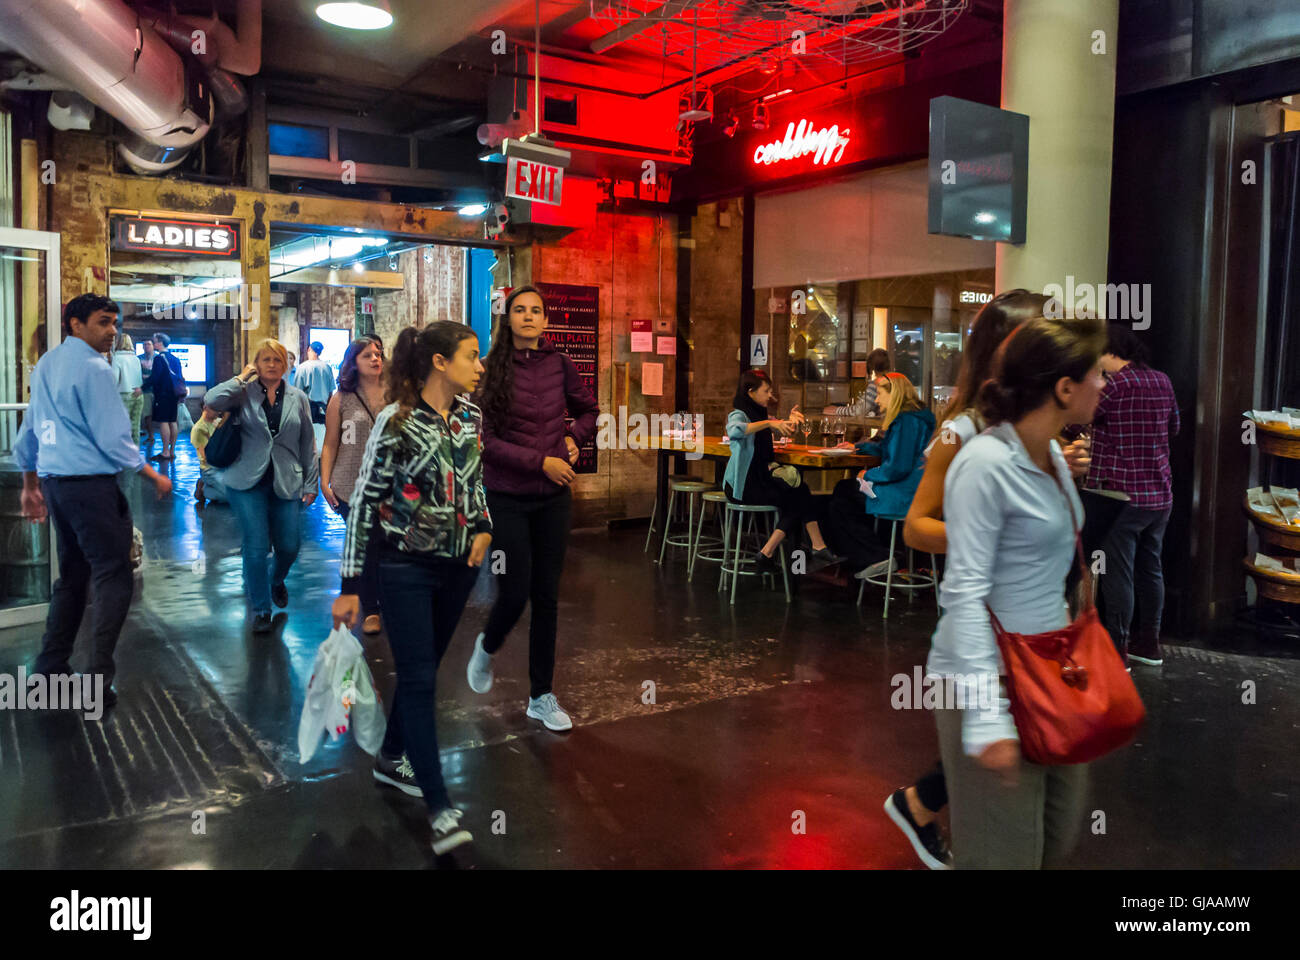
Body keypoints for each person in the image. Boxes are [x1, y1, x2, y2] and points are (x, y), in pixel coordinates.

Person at [928, 313, 1107, 869]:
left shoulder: (1050, 454)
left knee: (1054, 841)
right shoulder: (984, 464)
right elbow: (965, 594)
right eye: (1097, 374)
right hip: (997, 678)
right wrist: (986, 718)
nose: (1106, 384)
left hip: (1053, 669)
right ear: (1063, 387)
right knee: (1004, 857)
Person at [332, 321, 492, 856]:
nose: (481, 365)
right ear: (441, 363)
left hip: (457, 571)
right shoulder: (397, 424)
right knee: (421, 680)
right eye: (473, 356)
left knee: (424, 673)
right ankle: (441, 807)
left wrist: (485, 526)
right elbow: (363, 504)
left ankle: (393, 755)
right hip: (403, 570)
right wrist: (352, 584)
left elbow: (474, 485)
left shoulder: (470, 418)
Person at [15, 294, 172, 710]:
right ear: (74, 324)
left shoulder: (47, 364)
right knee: (113, 575)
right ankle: (97, 679)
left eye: (114, 323)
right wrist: (151, 472)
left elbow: (29, 429)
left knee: (73, 575)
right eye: (103, 322)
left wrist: (30, 483)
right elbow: (113, 437)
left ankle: (49, 669)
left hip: (56, 485)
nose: (111, 331)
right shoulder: (94, 369)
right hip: (90, 487)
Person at [464, 286, 599, 733]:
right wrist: (541, 461)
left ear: (545, 321)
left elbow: (589, 409)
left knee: (547, 597)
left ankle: (541, 696)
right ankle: (488, 644)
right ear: (509, 318)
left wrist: (574, 440)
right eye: (519, 310)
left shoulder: (559, 364)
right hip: (508, 497)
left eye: (535, 311)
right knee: (515, 591)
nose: (527, 317)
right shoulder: (491, 369)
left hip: (553, 499)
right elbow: (487, 442)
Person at [205, 340, 318, 632]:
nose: (271, 364)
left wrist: (311, 483)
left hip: (287, 479)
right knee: (255, 546)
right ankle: (260, 609)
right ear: (256, 364)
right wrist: (241, 377)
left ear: (286, 365)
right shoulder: (242, 394)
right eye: (265, 360)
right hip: (246, 480)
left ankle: (276, 579)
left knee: (289, 546)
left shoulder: (298, 398)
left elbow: (307, 442)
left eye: (277, 360)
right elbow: (212, 399)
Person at [1086, 323, 1179, 666]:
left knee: (1118, 574)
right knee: (1150, 569)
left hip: (1121, 496)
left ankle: (1117, 651)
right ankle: (1150, 643)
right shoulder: (1163, 381)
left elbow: (1079, 419)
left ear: (1111, 352)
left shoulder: (1117, 385)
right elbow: (1175, 427)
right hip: (1160, 494)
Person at [721, 369, 839, 576]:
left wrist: (789, 422)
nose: (770, 396)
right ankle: (784, 552)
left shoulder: (761, 414)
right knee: (798, 499)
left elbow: (779, 428)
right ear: (750, 392)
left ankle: (805, 549)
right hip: (743, 486)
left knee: (801, 491)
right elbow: (734, 430)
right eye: (766, 391)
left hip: (761, 480)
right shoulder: (739, 414)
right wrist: (769, 423)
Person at [829, 372, 934, 579]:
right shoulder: (915, 417)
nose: (876, 400)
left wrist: (869, 474)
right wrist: (858, 447)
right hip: (916, 489)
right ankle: (879, 556)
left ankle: (876, 558)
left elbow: (897, 467)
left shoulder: (906, 421)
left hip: (902, 493)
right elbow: (888, 448)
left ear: (893, 395)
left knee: (842, 498)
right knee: (846, 492)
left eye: (879, 394)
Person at [320, 337, 387, 635]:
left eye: (378, 354)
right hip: (350, 483)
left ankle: (377, 599)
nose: (375, 359)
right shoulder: (341, 398)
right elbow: (330, 443)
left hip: (388, 484)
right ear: (353, 362)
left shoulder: (395, 395)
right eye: (367, 355)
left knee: (384, 544)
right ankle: (371, 608)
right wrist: (324, 480)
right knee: (368, 543)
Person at [147, 333, 184, 460]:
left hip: (162, 394)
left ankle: (165, 452)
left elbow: (155, 378)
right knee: (172, 421)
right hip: (174, 394)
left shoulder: (159, 358)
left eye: (155, 341)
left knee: (164, 422)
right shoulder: (175, 358)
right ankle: (172, 451)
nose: (154, 343)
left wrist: (142, 387)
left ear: (160, 343)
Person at [191, 407, 231, 506]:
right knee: (231, 496)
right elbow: (205, 457)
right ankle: (204, 488)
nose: (219, 411)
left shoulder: (218, 422)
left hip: (224, 465)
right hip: (210, 468)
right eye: (216, 409)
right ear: (205, 408)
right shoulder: (198, 429)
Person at [111, 333, 144, 445]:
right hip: (138, 394)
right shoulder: (136, 358)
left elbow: (114, 380)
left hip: (123, 394)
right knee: (135, 426)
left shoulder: (117, 358)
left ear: (118, 343)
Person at [295, 340, 337, 425]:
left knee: (309, 435)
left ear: (309, 349)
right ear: (320, 353)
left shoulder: (302, 367)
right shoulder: (327, 367)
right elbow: (330, 391)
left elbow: (298, 391)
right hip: (324, 409)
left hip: (307, 409)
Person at [862, 348, 891, 415]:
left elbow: (861, 410)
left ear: (871, 367)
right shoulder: (894, 381)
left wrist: (838, 410)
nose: (877, 400)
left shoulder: (875, 384)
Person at [139, 337, 155, 449]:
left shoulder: (158, 358)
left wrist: (148, 375)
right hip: (146, 390)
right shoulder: (138, 358)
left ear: (153, 345)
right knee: (147, 414)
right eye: (144, 345)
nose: (146, 347)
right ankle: (151, 436)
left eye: (148, 344)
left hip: (158, 390)